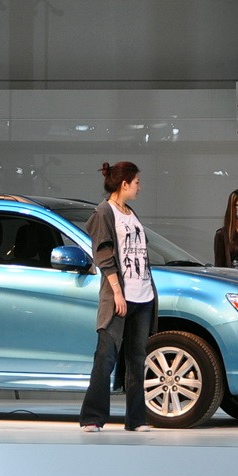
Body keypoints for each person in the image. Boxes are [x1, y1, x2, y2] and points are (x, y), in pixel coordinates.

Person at [79, 161, 158, 433]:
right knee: (105, 357)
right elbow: (104, 255)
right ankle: (92, 417)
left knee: (137, 359)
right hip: (119, 297)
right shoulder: (104, 212)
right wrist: (117, 293)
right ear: (124, 184)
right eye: (136, 182)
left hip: (143, 296)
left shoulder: (130, 213)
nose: (139, 187)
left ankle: (137, 419)